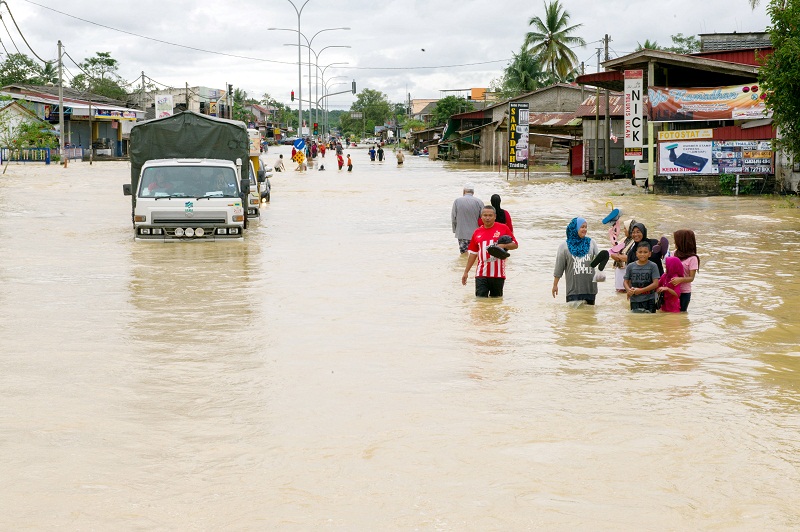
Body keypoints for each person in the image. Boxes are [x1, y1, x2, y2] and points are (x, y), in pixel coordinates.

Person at [461, 205, 518, 297]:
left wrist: (503, 245)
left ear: (495, 216)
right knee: (480, 302)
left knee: (496, 302)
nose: (487, 218)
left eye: (490, 215)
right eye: (485, 215)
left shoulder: (503, 228)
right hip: (481, 274)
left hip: (498, 275)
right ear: (481, 217)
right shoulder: (477, 232)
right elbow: (473, 254)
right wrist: (466, 272)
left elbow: (515, 245)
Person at [552, 217, 604, 306]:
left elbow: (598, 262)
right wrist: (555, 285)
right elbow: (559, 268)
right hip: (573, 291)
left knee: (590, 318)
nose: (584, 229)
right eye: (582, 227)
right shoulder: (564, 246)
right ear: (575, 228)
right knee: (574, 318)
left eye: (586, 227)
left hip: (590, 290)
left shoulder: (592, 243)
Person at [624, 241, 660, 313]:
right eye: (640, 252)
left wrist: (641, 290)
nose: (642, 254)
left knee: (650, 321)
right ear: (636, 253)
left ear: (649, 254)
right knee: (636, 321)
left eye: (645, 252)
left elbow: (656, 283)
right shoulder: (630, 266)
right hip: (635, 299)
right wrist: (628, 290)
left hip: (649, 299)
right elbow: (625, 282)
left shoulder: (653, 266)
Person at [671, 229, 699, 312]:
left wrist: (681, 279)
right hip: (672, 289)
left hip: (684, 292)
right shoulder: (673, 253)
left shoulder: (693, 258)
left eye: (676, 240)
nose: (674, 243)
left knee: (681, 313)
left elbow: (691, 278)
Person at [452, 184, 484, 254]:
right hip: (476, 234)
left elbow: (454, 217)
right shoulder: (479, 202)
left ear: (464, 191)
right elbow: (483, 218)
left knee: (464, 254)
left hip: (462, 233)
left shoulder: (457, 201)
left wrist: (455, 230)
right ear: (473, 192)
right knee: (475, 254)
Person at [610, 219, 637, 292]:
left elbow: (630, 258)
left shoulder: (636, 242)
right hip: (619, 272)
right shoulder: (624, 240)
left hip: (627, 273)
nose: (624, 230)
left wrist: (618, 256)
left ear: (630, 229)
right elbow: (612, 252)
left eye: (625, 228)